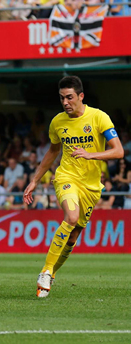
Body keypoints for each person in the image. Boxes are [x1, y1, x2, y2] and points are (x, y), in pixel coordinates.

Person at [23, 76, 124, 298]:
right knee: (71, 217)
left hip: (91, 186)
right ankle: (46, 270)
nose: (65, 102)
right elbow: (52, 151)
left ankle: (51, 273)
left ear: (81, 96)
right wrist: (34, 180)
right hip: (66, 177)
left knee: (73, 236)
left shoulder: (99, 117)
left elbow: (118, 151)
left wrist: (91, 154)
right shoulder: (57, 122)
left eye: (69, 97)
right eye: (61, 98)